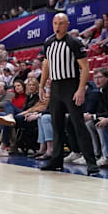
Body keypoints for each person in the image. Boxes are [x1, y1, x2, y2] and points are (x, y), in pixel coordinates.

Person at [39, 13, 98, 174]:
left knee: (78, 124)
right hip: (56, 87)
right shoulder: (49, 43)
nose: (57, 26)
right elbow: (46, 64)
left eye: (61, 23)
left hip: (71, 85)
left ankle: (91, 162)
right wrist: (42, 85)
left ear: (67, 25)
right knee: (56, 126)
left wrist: (80, 89)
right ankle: (56, 160)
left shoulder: (74, 42)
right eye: (55, 23)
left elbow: (85, 68)